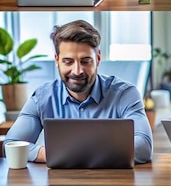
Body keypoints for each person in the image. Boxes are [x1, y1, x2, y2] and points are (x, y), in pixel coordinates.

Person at [4, 20, 152, 163]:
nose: (77, 71)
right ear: (57, 61)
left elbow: (143, 146)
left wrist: (68, 153)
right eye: (68, 61)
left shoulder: (125, 94)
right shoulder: (42, 98)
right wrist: (54, 154)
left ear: (98, 58)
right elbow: (11, 145)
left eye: (85, 61)